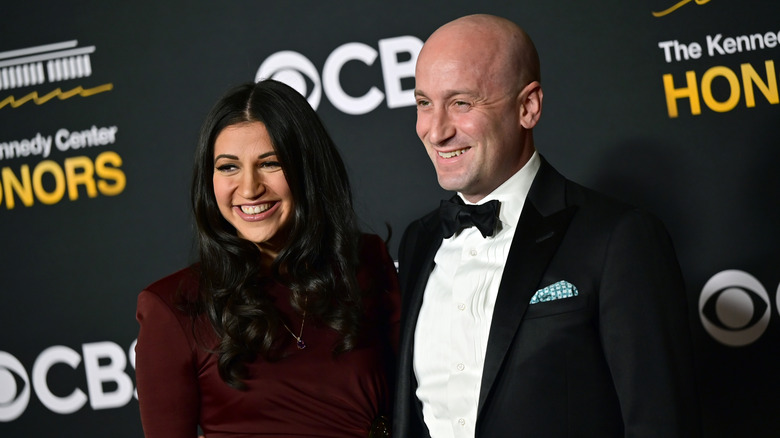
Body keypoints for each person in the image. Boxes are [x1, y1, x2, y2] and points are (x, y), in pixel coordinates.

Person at [393, 14, 700, 437]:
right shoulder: (418, 241)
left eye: (461, 103)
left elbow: (659, 423)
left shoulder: (617, 237)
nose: (435, 129)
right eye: (424, 103)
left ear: (528, 107)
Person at [135, 79, 399, 438]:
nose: (248, 188)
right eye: (228, 167)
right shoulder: (174, 308)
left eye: (270, 163)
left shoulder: (365, 261)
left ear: (307, 169)